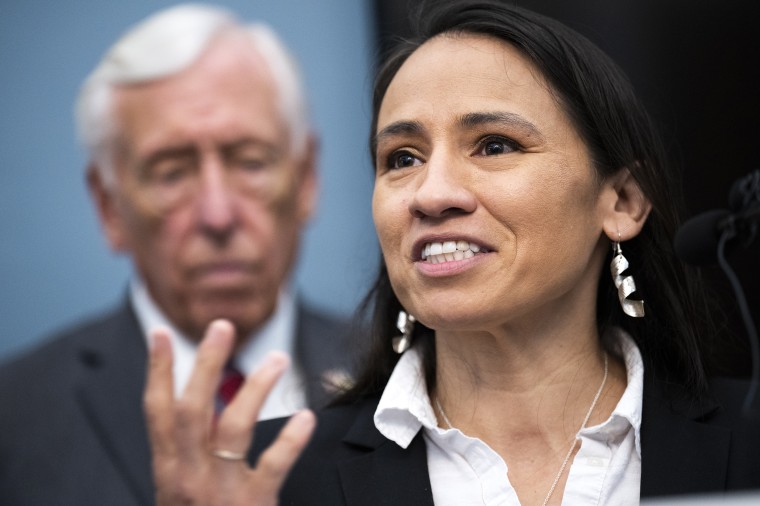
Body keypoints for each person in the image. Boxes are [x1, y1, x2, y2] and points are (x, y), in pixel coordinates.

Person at [143, 1, 760, 505]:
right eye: (402, 159)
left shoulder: (748, 441)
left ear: (622, 200)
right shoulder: (265, 481)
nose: (431, 195)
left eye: (494, 145)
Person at [0, 4, 356, 505]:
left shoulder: (403, 377)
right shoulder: (15, 415)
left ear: (306, 180)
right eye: (171, 172)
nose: (217, 215)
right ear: (109, 208)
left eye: (251, 162)